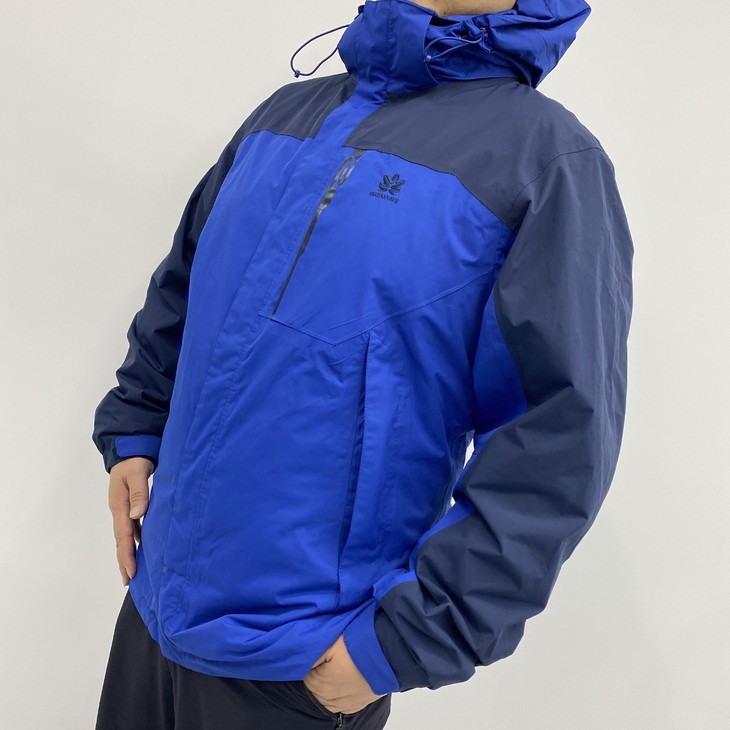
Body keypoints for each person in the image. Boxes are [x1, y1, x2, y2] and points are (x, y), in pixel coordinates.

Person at [92, 0, 634, 727]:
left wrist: (408, 640)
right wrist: (136, 425)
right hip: (155, 611)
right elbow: (185, 285)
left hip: (300, 660)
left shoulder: (544, 160)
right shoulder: (284, 114)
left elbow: (559, 437)